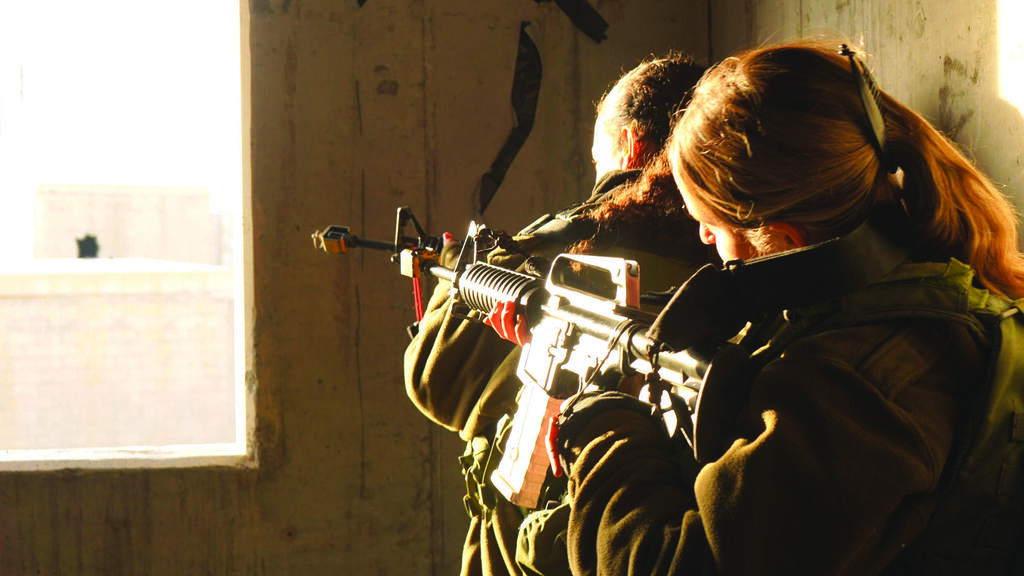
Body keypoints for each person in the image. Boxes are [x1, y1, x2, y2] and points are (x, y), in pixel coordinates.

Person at [490, 41, 1024, 575]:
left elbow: (674, 564)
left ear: (786, 238)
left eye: (712, 224)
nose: (704, 239)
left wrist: (602, 425)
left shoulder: (851, 387)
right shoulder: (918, 290)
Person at [404, 52, 714, 576]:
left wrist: (460, 279)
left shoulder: (563, 243)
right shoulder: (732, 246)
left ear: (630, 144)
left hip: (547, 539)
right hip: (658, 526)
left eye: (598, 159)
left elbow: (435, 382)